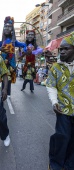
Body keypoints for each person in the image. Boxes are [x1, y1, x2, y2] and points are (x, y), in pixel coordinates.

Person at [46, 32, 74, 170]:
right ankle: (55, 164)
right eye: (60, 49)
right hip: (63, 109)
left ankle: (69, 165)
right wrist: (54, 102)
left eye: (66, 49)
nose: (62, 51)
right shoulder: (56, 67)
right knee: (62, 137)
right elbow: (51, 86)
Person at [0, 16, 27, 96]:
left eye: (9, 27)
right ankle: (4, 94)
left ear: (12, 29)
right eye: (6, 26)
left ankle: (7, 95)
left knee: (8, 80)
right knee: (3, 80)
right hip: (2, 65)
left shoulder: (14, 41)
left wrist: (23, 53)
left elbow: (24, 45)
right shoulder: (2, 41)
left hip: (10, 66)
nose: (7, 28)